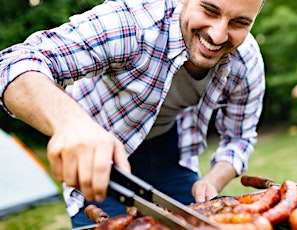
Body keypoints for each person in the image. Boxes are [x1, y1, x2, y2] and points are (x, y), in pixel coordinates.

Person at [0, 0, 266, 227]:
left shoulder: (246, 61)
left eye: (239, 23)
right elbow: (14, 63)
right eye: (209, 10)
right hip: (100, 157)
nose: (218, 35)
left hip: (171, 151)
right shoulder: (132, 22)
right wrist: (72, 125)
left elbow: (239, 138)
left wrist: (212, 180)